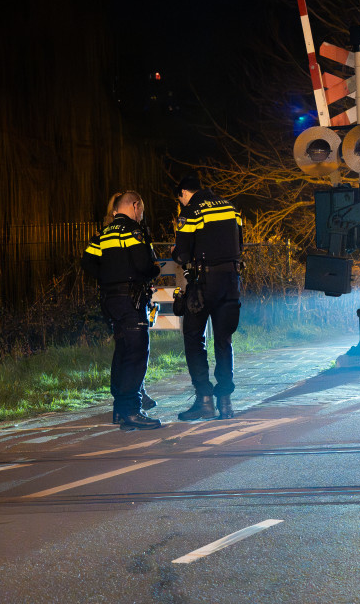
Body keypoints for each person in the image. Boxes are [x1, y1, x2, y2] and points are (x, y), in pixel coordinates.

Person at [81, 190, 163, 431]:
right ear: (135, 206)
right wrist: (155, 270)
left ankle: (120, 409)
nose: (141, 216)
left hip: (111, 299)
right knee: (136, 354)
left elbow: (87, 261)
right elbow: (142, 265)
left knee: (122, 351)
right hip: (131, 300)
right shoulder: (134, 231)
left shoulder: (103, 233)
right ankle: (132, 411)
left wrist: (107, 278)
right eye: (142, 211)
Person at [173, 174, 244, 421]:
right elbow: (239, 245)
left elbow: (182, 255)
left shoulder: (191, 212)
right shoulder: (231, 207)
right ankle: (225, 403)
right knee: (224, 341)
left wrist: (178, 252)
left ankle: (204, 400)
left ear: (183, 194)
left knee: (194, 337)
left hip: (204, 284)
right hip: (231, 281)